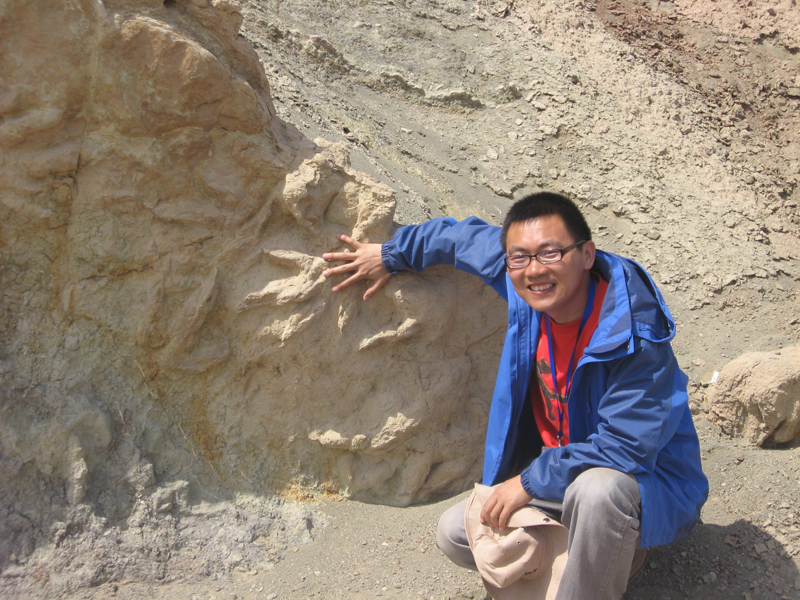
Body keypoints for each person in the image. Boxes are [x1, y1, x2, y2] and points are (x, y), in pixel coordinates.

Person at [322, 192, 708, 600]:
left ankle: (608, 554)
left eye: (551, 253)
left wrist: (528, 481)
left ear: (587, 254)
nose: (535, 269)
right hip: (561, 479)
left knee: (597, 494)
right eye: (520, 257)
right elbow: (459, 239)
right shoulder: (523, 281)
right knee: (455, 533)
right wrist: (390, 254)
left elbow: (625, 447)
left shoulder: (633, 333)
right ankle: (597, 557)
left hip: (645, 483)